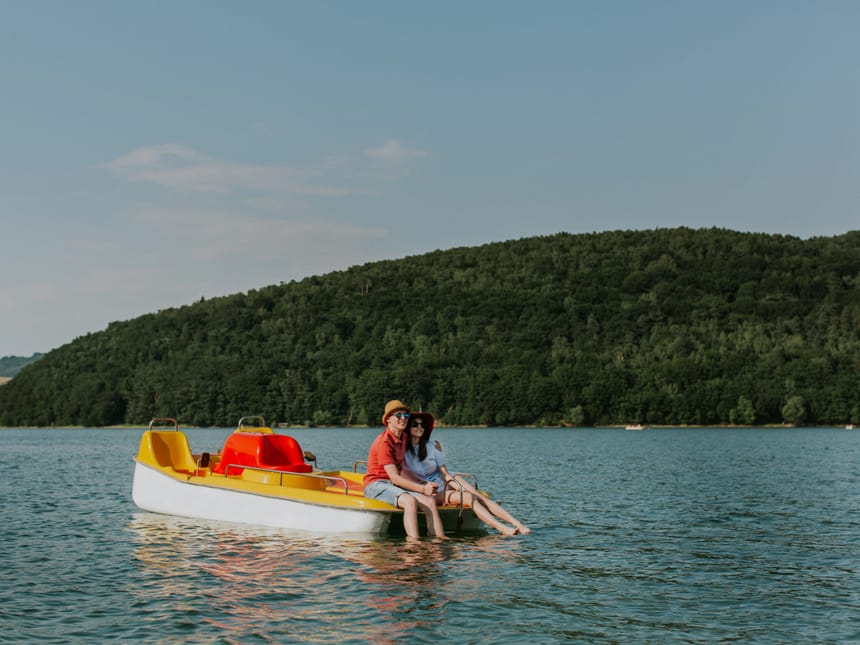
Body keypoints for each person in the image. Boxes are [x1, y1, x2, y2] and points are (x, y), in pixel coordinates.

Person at [404, 412, 531, 536]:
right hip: (427, 489)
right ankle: (501, 528)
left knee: (478, 496)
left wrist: (455, 485)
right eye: (415, 424)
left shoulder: (432, 446)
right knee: (468, 497)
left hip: (444, 479)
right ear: (408, 427)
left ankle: (517, 523)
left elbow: (445, 474)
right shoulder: (402, 450)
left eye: (422, 425)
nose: (419, 427)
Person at [363, 400, 446, 538]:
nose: (403, 418)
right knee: (409, 501)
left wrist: (435, 445)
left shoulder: (403, 436)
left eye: (406, 416)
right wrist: (423, 488)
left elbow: (420, 438)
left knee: (429, 501)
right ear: (388, 419)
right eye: (398, 415)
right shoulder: (384, 442)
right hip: (376, 484)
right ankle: (413, 544)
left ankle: (439, 540)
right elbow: (395, 477)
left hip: (394, 484)